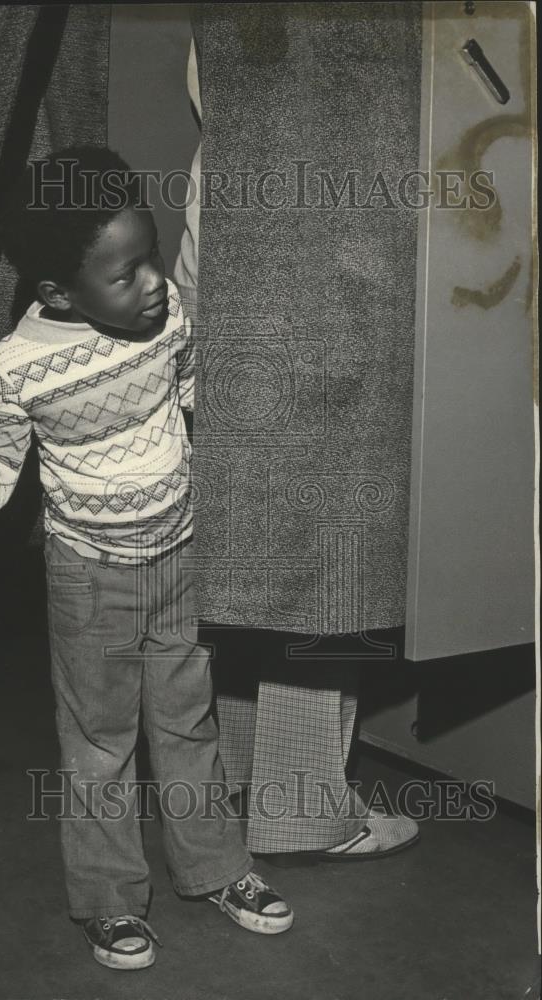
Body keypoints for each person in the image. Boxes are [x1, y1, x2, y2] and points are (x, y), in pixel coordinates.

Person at [0, 146, 294, 971]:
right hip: (88, 578)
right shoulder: (19, 368)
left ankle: (218, 870)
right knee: (98, 747)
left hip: (180, 560)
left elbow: (191, 392)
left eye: (150, 258)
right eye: (125, 276)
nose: (153, 283)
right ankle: (109, 902)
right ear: (57, 293)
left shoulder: (167, 320)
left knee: (188, 724)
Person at [175, 35, 420, 860]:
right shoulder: (346, 77)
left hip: (232, 301)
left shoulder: (241, 61)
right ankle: (305, 810)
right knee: (327, 562)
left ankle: (252, 780)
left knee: (259, 559)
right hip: (327, 308)